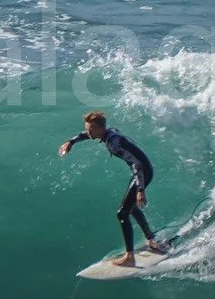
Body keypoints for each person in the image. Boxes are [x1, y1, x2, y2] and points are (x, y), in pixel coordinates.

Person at [60, 110, 169, 268]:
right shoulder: (110, 132)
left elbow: (136, 164)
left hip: (142, 173)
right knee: (130, 209)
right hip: (143, 170)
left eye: (91, 130)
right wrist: (71, 142)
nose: (88, 133)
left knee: (122, 213)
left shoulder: (113, 144)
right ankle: (151, 240)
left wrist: (140, 189)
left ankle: (130, 257)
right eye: (87, 129)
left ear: (99, 129)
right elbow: (84, 135)